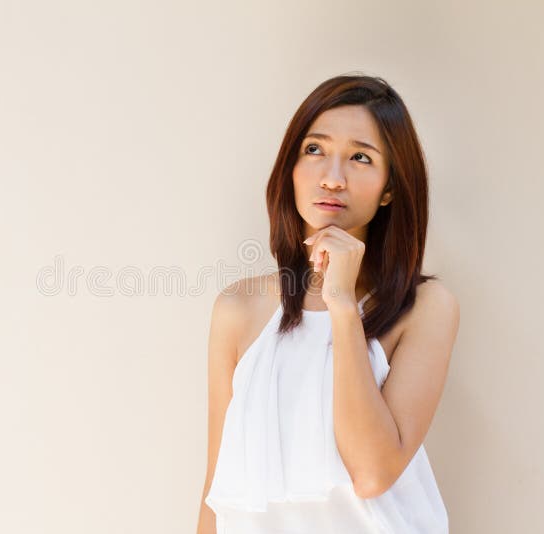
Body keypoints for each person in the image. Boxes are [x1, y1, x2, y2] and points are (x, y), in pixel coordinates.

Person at [195, 74, 460, 534]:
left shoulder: (426, 307)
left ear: (390, 188)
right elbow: (218, 489)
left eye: (361, 157)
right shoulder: (237, 309)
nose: (332, 178)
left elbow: (373, 472)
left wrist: (340, 303)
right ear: (291, 168)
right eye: (314, 150)